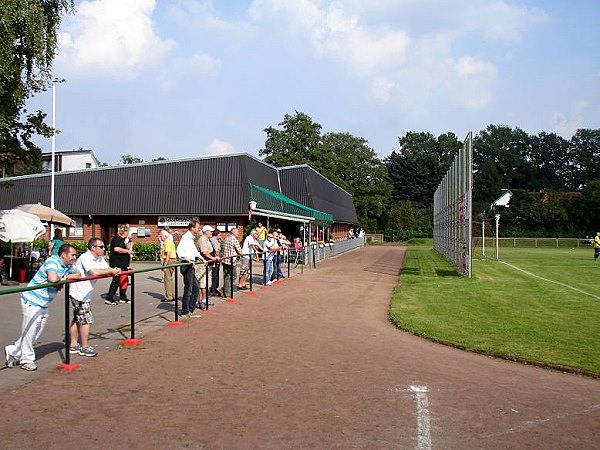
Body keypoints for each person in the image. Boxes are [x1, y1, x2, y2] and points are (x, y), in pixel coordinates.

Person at [5, 244, 80, 371]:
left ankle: (13, 350)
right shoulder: (52, 262)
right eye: (72, 255)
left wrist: (64, 278)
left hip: (44, 302)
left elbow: (78, 274)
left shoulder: (68, 265)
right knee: (30, 330)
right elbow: (52, 278)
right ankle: (26, 360)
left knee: (37, 330)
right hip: (32, 299)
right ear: (63, 255)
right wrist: (62, 278)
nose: (75, 257)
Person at [69, 238, 121, 357]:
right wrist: (111, 271)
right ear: (93, 248)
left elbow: (106, 268)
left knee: (78, 318)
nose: (104, 249)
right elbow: (94, 272)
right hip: (78, 292)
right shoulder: (85, 257)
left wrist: (113, 270)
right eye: (101, 247)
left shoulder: (99, 258)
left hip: (86, 292)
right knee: (86, 319)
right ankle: (84, 347)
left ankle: (73, 345)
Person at [176, 220, 202, 317]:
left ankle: (190, 309)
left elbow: (193, 250)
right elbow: (180, 251)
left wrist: (200, 258)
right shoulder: (186, 238)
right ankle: (185, 311)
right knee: (189, 288)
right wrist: (188, 260)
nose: (199, 229)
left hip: (190, 264)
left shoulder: (190, 238)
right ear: (192, 228)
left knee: (195, 287)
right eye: (197, 227)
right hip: (186, 265)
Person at [105, 224, 133, 305]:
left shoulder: (122, 240)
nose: (128, 234)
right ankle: (109, 297)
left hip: (123, 264)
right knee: (116, 281)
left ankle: (123, 297)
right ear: (124, 232)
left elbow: (125, 248)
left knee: (124, 281)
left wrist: (130, 242)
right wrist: (127, 251)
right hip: (117, 264)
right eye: (127, 232)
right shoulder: (117, 239)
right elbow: (117, 249)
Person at [197, 225, 220, 309]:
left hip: (208, 264)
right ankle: (200, 301)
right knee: (202, 284)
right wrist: (214, 258)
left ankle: (204, 300)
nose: (212, 233)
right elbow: (205, 252)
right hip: (202, 265)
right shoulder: (203, 239)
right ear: (206, 232)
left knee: (206, 284)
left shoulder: (207, 239)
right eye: (210, 231)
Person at [221, 228, 243, 298]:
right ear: (233, 232)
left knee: (226, 276)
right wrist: (241, 254)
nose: (238, 233)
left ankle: (225, 290)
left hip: (225, 260)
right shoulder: (234, 240)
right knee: (233, 276)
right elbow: (240, 251)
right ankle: (226, 291)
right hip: (231, 261)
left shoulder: (227, 238)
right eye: (237, 232)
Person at [159, 230, 176, 302]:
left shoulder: (167, 242)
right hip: (172, 260)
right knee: (170, 279)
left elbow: (168, 253)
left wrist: (165, 265)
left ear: (165, 235)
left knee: (167, 280)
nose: (160, 237)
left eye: (161, 236)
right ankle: (172, 295)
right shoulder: (170, 241)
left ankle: (169, 296)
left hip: (169, 261)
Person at [209, 229, 223, 297]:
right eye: (220, 235)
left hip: (211, 259)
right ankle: (213, 289)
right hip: (215, 259)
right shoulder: (214, 240)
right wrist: (218, 258)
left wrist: (219, 242)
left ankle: (213, 288)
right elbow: (217, 250)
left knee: (214, 274)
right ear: (217, 234)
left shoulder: (212, 239)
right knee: (215, 274)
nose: (220, 236)